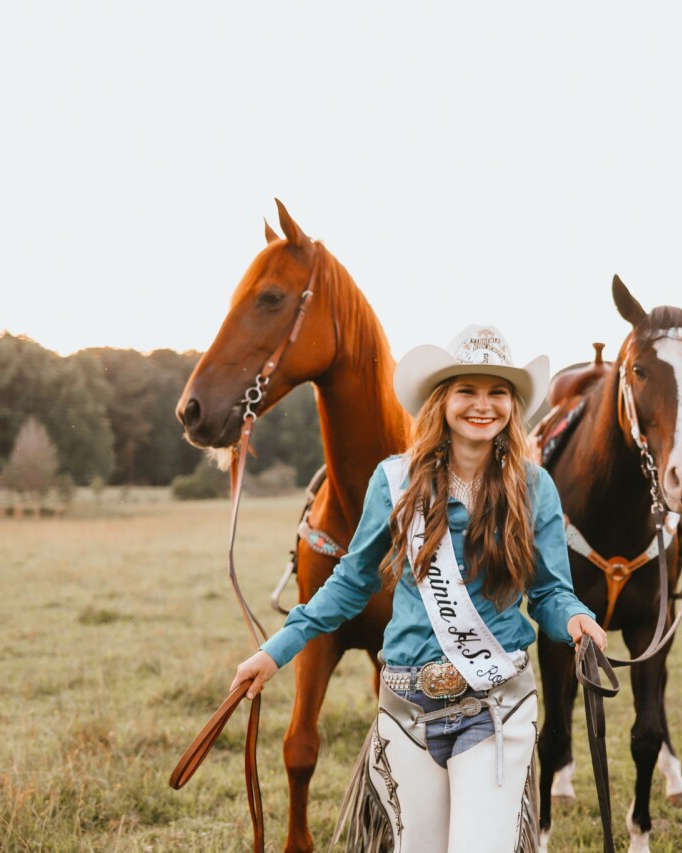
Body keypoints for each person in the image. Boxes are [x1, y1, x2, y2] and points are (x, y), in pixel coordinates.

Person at [231, 324, 606, 853]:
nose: (483, 405)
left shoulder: (533, 485)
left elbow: (548, 591)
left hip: (496, 703)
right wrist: (275, 652)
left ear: (513, 405)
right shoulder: (392, 481)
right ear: (442, 400)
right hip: (407, 705)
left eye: (498, 392)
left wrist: (575, 619)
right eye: (467, 391)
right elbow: (350, 582)